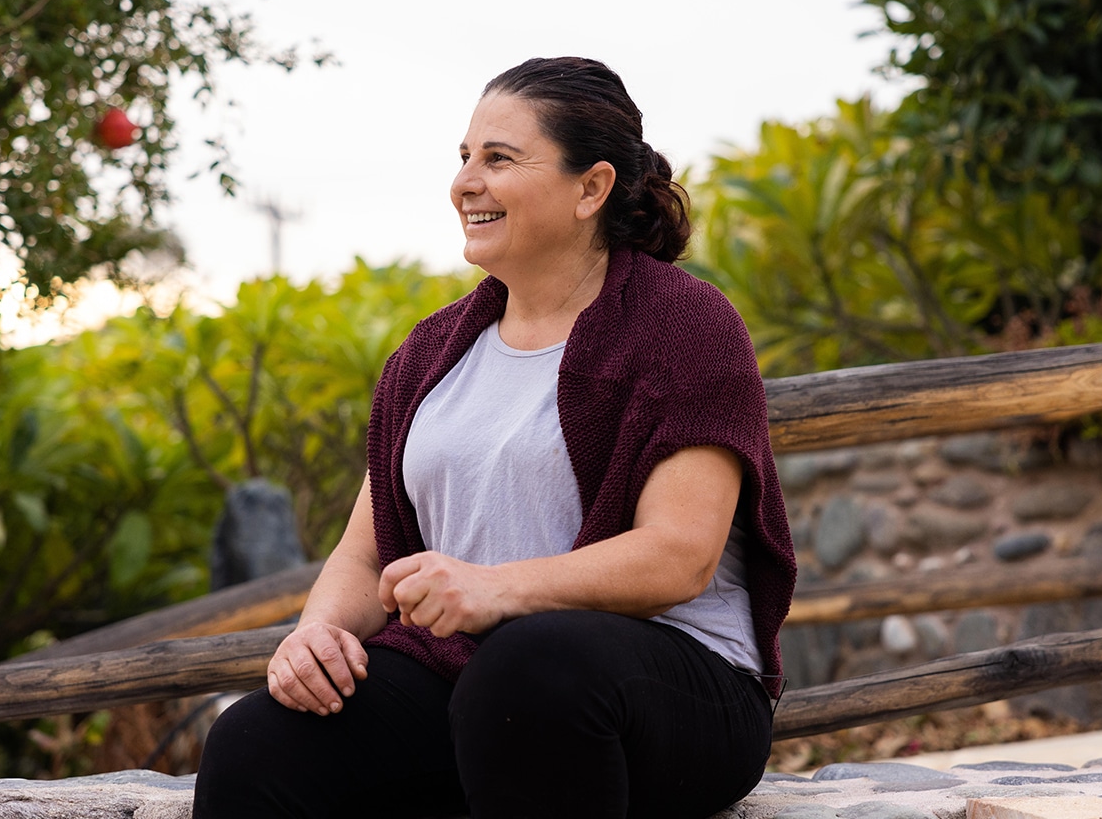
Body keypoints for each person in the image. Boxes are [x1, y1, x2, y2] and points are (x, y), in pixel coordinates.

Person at [191, 57, 796, 819]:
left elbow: (680, 555)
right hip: (471, 682)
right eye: (464, 157)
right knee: (257, 740)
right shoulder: (430, 352)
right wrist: (317, 636)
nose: (464, 183)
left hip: (677, 688)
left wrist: (494, 590)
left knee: (529, 669)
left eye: (499, 159)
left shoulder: (685, 324)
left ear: (591, 188)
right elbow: (366, 554)